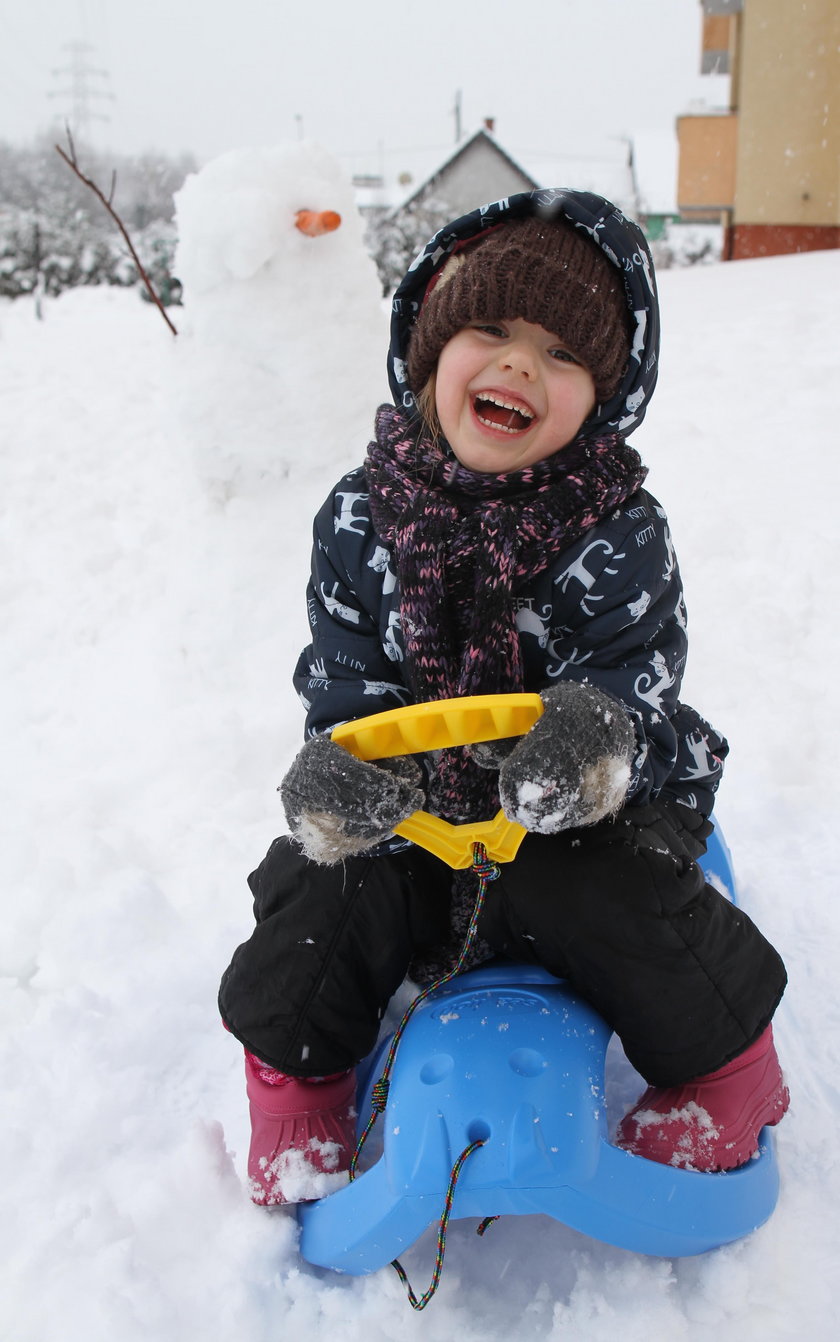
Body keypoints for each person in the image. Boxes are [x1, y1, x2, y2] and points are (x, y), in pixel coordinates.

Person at [219, 189, 789, 1206]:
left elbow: (636, 678)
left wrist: (593, 741)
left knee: (610, 889)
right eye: (491, 330)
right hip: (424, 828)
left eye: (564, 355)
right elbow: (345, 681)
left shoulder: (615, 530)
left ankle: (725, 1068)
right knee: (316, 884)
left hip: (579, 811)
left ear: (602, 400)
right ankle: (298, 1077)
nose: (521, 364)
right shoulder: (357, 521)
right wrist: (348, 771)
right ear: (431, 351)